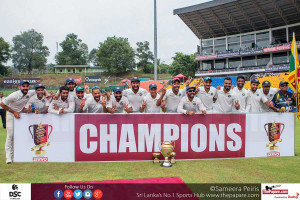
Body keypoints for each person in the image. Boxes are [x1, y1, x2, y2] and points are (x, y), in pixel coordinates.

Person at [0, 80, 36, 164]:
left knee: (21, 135)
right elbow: (2, 104)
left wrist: (27, 110)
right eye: (23, 86)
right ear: (19, 87)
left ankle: (20, 155)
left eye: (27, 86)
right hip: (11, 115)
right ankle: (8, 158)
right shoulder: (13, 95)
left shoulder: (30, 93)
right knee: (10, 135)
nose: (25, 88)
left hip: (21, 115)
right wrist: (14, 112)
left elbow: (41, 90)